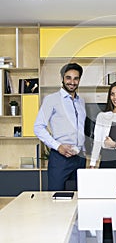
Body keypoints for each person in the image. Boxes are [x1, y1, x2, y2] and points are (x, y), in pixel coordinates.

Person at [34, 62, 86, 190]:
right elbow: (38, 127)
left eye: (76, 78)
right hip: (60, 159)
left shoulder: (81, 102)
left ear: (79, 80)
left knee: (79, 198)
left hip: (79, 158)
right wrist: (58, 147)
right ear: (62, 78)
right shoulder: (52, 99)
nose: (72, 82)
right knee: (56, 199)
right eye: (68, 78)